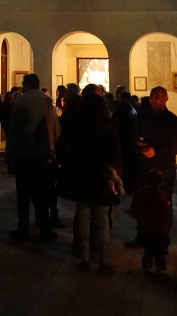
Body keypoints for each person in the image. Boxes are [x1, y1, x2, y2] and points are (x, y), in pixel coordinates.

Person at [59, 94, 120, 272]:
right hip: (100, 174)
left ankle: (84, 256)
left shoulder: (77, 126)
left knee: (83, 217)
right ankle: (104, 259)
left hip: (81, 173)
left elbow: (65, 147)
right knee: (102, 220)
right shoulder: (107, 126)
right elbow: (114, 153)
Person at [6, 73, 59, 242]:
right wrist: (53, 149)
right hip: (42, 153)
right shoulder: (46, 101)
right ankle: (44, 229)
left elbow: (14, 129)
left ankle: (23, 228)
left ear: (27, 85)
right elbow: (55, 128)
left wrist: (9, 153)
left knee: (23, 193)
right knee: (41, 193)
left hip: (23, 153)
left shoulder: (21, 101)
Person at [137, 86, 177, 199]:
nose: (153, 100)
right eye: (151, 97)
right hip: (145, 167)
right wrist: (139, 144)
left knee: (163, 200)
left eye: (157, 97)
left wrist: (156, 151)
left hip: (165, 167)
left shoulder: (173, 121)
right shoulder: (143, 118)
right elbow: (136, 135)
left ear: (166, 99)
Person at [130, 169, 172, 272]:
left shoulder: (140, 193)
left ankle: (147, 264)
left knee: (148, 249)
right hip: (158, 229)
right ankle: (160, 265)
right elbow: (165, 212)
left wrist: (139, 219)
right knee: (159, 249)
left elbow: (134, 209)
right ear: (161, 182)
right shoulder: (162, 196)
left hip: (144, 227)